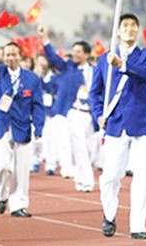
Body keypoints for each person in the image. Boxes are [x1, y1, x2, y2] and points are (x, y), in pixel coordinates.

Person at [90, 13, 146, 239]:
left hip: (143, 122)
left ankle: (138, 225)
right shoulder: (104, 59)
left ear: (137, 30)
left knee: (144, 174)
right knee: (111, 175)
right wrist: (99, 114)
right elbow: (95, 92)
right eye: (125, 25)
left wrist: (122, 65)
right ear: (118, 31)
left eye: (133, 25)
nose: (130, 29)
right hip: (115, 123)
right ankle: (109, 214)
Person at [0, 30, 45, 218]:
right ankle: (2, 195)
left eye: (13, 55)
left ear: (20, 56)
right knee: (2, 166)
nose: (10, 58)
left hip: (22, 127)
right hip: (1, 126)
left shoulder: (31, 79)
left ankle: (18, 206)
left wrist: (39, 127)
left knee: (21, 170)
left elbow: (38, 105)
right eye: (7, 55)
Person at [39, 25, 95, 192]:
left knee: (89, 149)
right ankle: (87, 181)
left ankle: (81, 177)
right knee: (80, 148)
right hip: (74, 112)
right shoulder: (68, 67)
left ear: (86, 54)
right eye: (74, 51)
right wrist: (45, 39)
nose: (75, 54)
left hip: (91, 114)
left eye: (79, 52)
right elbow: (53, 57)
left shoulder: (95, 71)